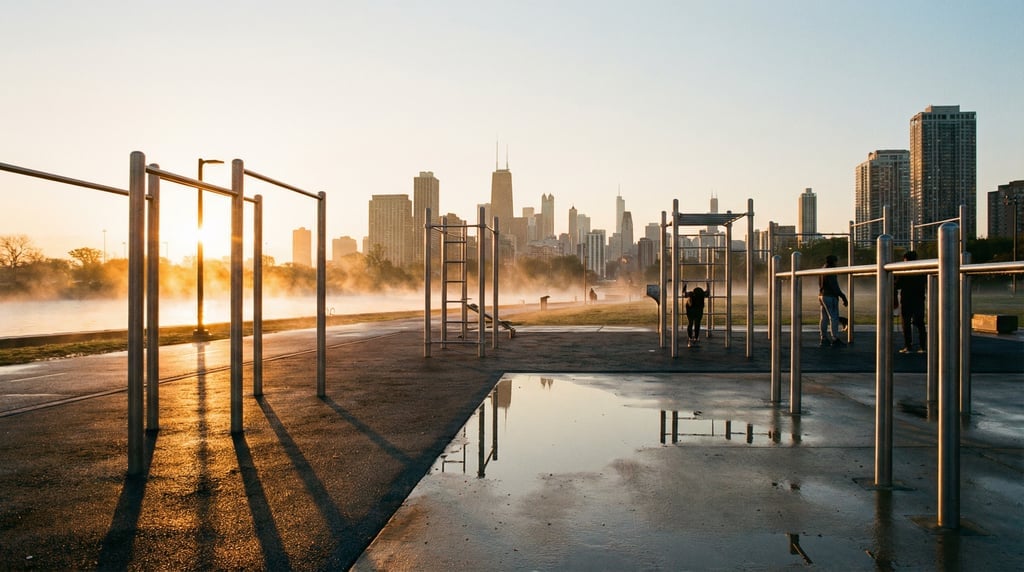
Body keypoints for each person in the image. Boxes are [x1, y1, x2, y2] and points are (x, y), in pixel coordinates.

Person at [894, 250, 927, 353]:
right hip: (919, 299)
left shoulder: (904, 271)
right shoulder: (921, 271)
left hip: (907, 300)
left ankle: (908, 346)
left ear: (906, 259)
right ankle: (923, 347)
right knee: (920, 324)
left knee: (906, 323)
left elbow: (897, 285)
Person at [818, 254, 848, 347]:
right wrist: (843, 296)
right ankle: (835, 338)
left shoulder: (823, 269)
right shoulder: (831, 270)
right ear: (833, 262)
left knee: (824, 318)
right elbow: (834, 285)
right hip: (830, 296)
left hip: (822, 295)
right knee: (833, 317)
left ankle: (823, 338)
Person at [683, 282, 707, 348]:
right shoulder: (702, 295)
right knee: (697, 324)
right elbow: (707, 293)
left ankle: (690, 337)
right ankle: (696, 337)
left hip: (690, 310)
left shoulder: (691, 294)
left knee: (690, 323)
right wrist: (708, 284)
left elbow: (684, 294)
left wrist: (685, 285)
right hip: (698, 310)